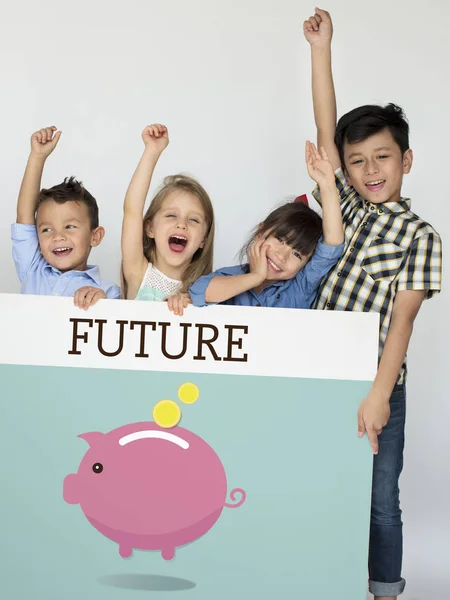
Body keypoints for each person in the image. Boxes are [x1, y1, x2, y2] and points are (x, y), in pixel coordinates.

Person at [303, 8, 443, 599]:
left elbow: (403, 321)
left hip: (378, 384)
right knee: (317, 484)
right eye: (357, 161)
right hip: (317, 372)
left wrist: (379, 396)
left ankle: (384, 589)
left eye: (382, 157)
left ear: (406, 160)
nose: (369, 170)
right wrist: (321, 48)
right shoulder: (350, 207)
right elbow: (325, 125)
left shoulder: (421, 236)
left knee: (380, 498)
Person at [189, 141, 344, 308]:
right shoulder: (228, 277)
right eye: (281, 240)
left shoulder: (300, 288)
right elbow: (199, 292)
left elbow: (332, 246)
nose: (282, 256)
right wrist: (256, 276)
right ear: (261, 230)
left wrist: (327, 185)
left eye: (297, 255)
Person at [11, 126, 120, 308]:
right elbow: (24, 215)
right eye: (46, 229)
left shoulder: (108, 291)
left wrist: (103, 305)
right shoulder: (33, 269)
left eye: (69, 226)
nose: (58, 236)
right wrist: (37, 157)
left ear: (95, 236)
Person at [120, 123, 215, 315]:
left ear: (203, 240)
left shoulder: (205, 291)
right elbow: (132, 210)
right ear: (150, 228)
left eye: (194, 220)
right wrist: (152, 151)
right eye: (171, 215)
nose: (181, 224)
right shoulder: (139, 274)